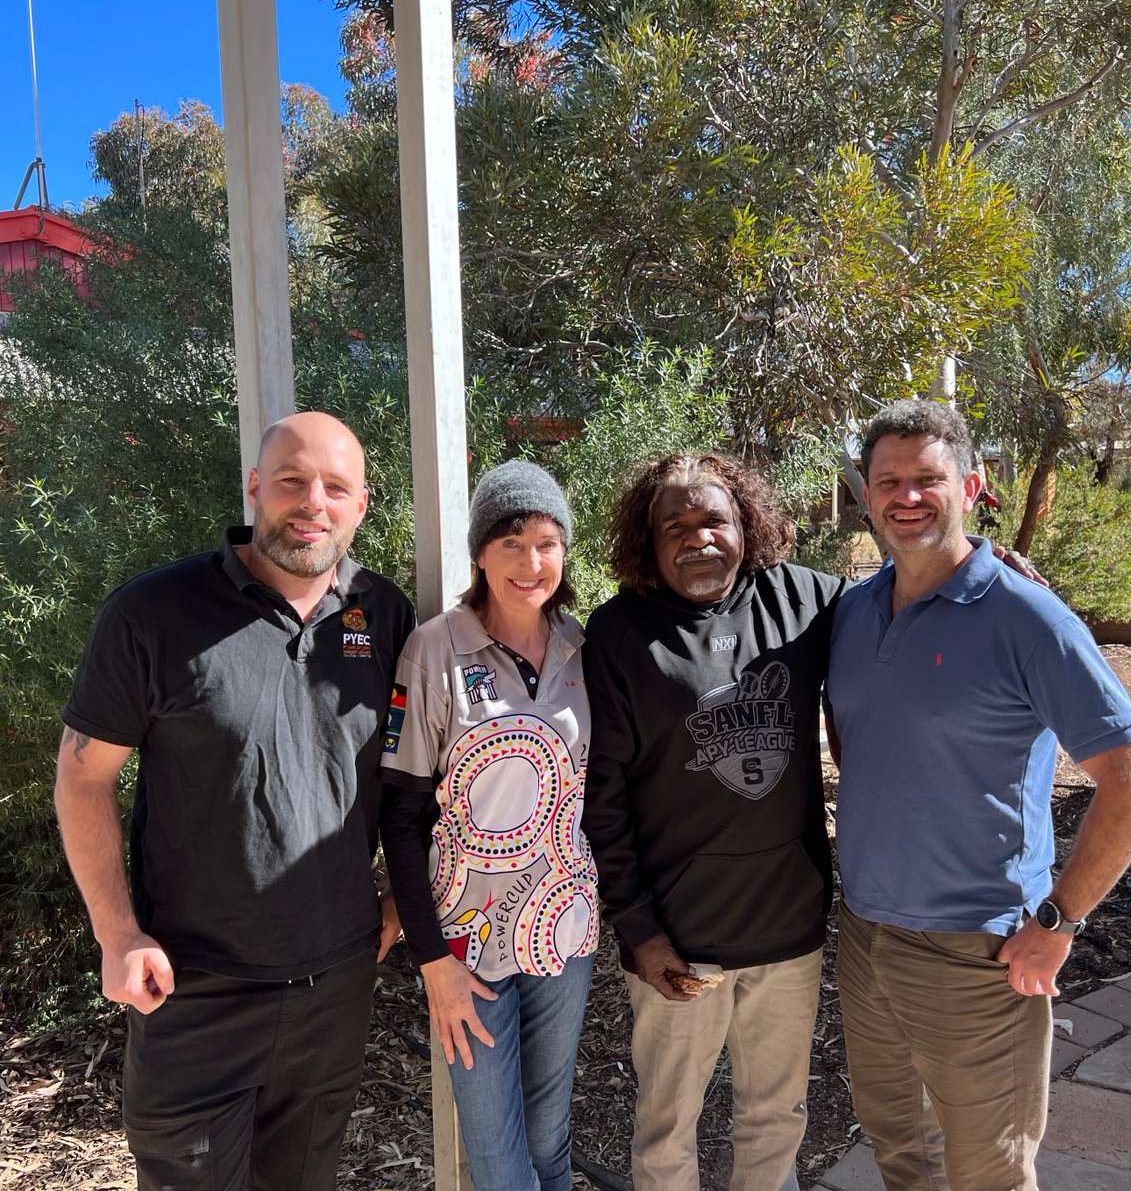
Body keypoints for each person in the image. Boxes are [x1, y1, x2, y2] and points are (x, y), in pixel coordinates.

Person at [54, 411, 416, 1191]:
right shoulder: (153, 614)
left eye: (335, 486)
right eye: (290, 480)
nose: (311, 500)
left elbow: (413, 777)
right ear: (255, 487)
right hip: (192, 991)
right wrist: (117, 936)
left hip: (336, 989)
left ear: (361, 505)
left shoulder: (384, 617)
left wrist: (399, 904)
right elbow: (82, 778)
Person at [824, 399, 1131, 1191]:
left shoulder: (1027, 616)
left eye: (927, 479)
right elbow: (860, 740)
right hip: (866, 934)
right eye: (888, 481)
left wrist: (1059, 921)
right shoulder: (854, 609)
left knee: (989, 1172)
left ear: (972, 486)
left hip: (979, 950)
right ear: (867, 495)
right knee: (897, 1150)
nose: (906, 496)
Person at [581, 453, 846, 1191]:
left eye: (713, 521)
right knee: (667, 1130)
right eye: (675, 526)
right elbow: (600, 798)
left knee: (776, 1118)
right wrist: (638, 929)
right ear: (648, 538)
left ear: (746, 525)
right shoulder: (620, 634)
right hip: (680, 942)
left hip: (787, 930)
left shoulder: (808, 603)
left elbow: (906, 605)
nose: (697, 539)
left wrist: (985, 565)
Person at [379, 460, 598, 1191]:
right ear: (479, 553)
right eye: (510, 543)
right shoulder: (435, 649)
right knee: (500, 1164)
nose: (530, 563)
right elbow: (401, 816)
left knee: (548, 1143)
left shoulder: (581, 648)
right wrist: (432, 960)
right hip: (464, 946)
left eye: (546, 542)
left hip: (562, 932)